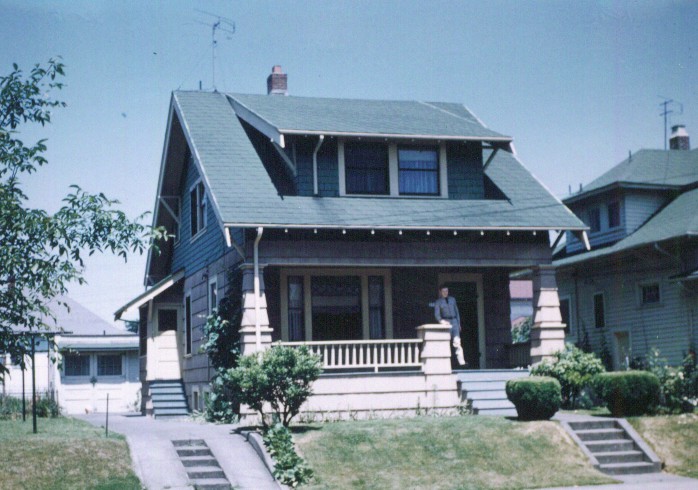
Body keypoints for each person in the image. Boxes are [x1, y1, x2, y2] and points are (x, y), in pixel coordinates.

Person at [434, 285, 466, 366]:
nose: (445, 293)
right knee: (445, 342)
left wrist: (459, 323)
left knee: (457, 342)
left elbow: (457, 312)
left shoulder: (452, 299)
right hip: (446, 322)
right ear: (440, 292)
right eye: (444, 291)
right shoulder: (438, 302)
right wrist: (442, 321)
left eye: (447, 291)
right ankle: (445, 364)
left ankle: (462, 362)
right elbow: (437, 315)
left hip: (454, 321)